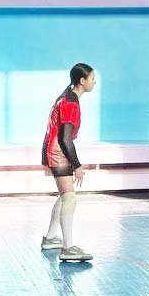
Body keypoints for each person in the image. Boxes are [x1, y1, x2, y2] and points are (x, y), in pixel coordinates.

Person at [41, 64, 95, 262]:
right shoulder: (70, 102)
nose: (94, 82)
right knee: (70, 198)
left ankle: (50, 238)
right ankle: (68, 248)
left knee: (65, 196)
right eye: (92, 79)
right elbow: (65, 139)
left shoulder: (66, 97)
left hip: (54, 149)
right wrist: (77, 165)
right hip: (59, 151)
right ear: (82, 80)